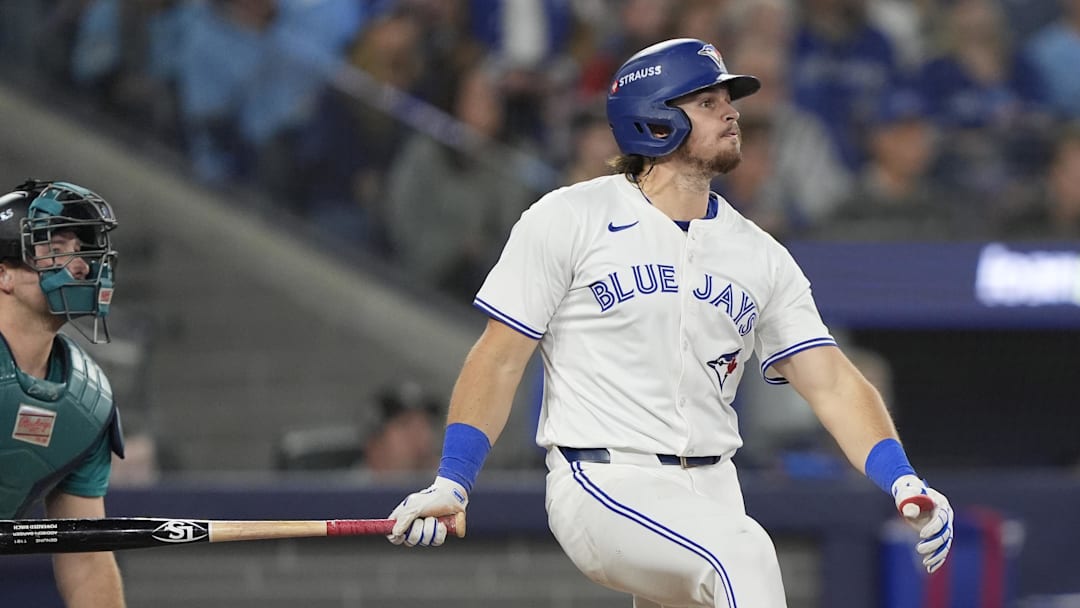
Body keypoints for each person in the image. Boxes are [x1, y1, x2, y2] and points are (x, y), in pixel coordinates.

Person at [386, 38, 954, 607]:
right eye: (707, 102)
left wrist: (902, 477)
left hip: (714, 487)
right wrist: (453, 481)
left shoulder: (759, 253)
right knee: (744, 553)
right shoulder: (569, 218)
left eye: (728, 100)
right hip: (606, 478)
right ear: (653, 119)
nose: (732, 112)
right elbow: (499, 358)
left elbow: (829, 380)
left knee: (732, 547)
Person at [0, 180, 126, 607]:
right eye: (55, 245)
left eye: (82, 248)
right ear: (3, 273)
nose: (81, 265)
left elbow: (86, 557)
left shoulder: (85, 403)